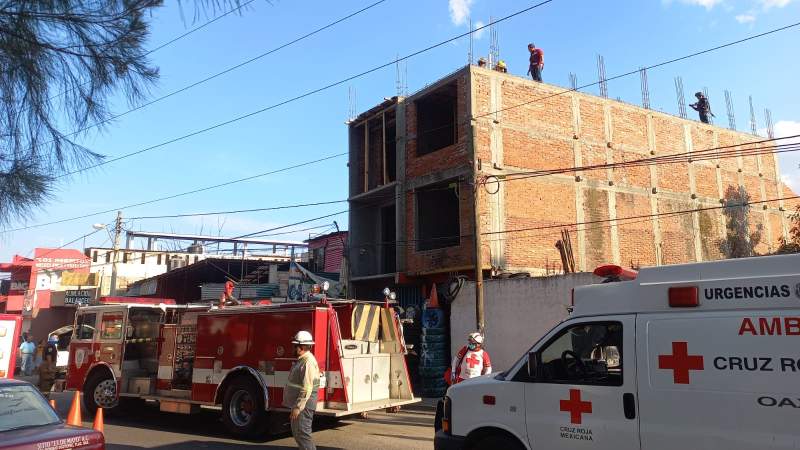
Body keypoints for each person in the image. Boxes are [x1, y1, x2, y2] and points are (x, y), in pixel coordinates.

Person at [283, 331, 320, 450]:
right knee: (298, 433)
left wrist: (298, 407)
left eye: (295, 346)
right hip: (301, 405)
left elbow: (307, 387)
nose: (293, 348)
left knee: (303, 434)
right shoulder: (302, 359)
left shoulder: (307, 362)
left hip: (304, 406)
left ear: (302, 347)